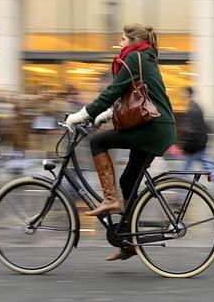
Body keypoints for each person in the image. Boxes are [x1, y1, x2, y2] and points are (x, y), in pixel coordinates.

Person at [65, 23, 176, 261]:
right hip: (154, 127)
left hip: (151, 129)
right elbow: (131, 96)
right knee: (128, 181)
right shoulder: (142, 58)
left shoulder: (136, 58)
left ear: (135, 40)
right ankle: (128, 241)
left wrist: (81, 115)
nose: (120, 43)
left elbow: (112, 92)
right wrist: (104, 116)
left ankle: (110, 199)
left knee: (97, 142)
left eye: (123, 38)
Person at [178, 87, 214, 199]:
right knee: (210, 170)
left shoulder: (192, 110)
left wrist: (185, 146)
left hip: (193, 148)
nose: (181, 96)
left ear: (188, 95)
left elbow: (192, 131)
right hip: (199, 146)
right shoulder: (196, 107)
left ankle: (178, 197)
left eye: (183, 94)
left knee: (182, 172)